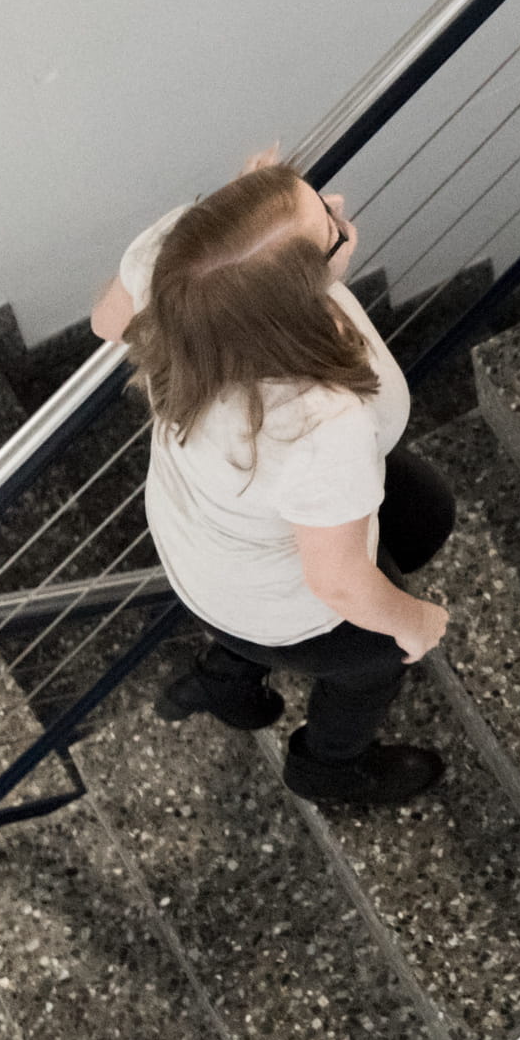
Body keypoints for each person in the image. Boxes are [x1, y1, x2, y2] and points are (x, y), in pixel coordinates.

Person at [89, 156, 453, 808]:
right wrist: (415, 621)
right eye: (331, 229)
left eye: (316, 195)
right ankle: (331, 765)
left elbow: (108, 323)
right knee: (373, 659)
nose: (341, 207)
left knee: (426, 515)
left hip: (199, 531)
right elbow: (338, 582)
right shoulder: (314, 422)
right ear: (286, 303)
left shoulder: (175, 261)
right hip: (263, 591)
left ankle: (227, 674)